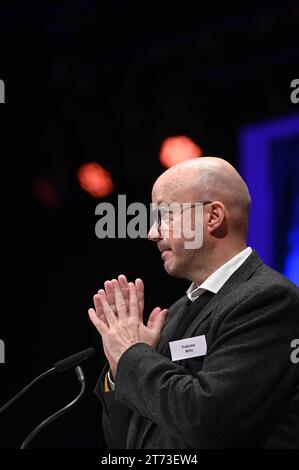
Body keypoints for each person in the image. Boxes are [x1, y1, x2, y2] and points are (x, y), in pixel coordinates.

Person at [88, 156, 299, 449]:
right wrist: (118, 368)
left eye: (164, 215)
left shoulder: (268, 300)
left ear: (213, 217)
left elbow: (206, 421)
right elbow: (127, 444)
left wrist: (132, 355)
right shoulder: (174, 314)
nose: (152, 233)